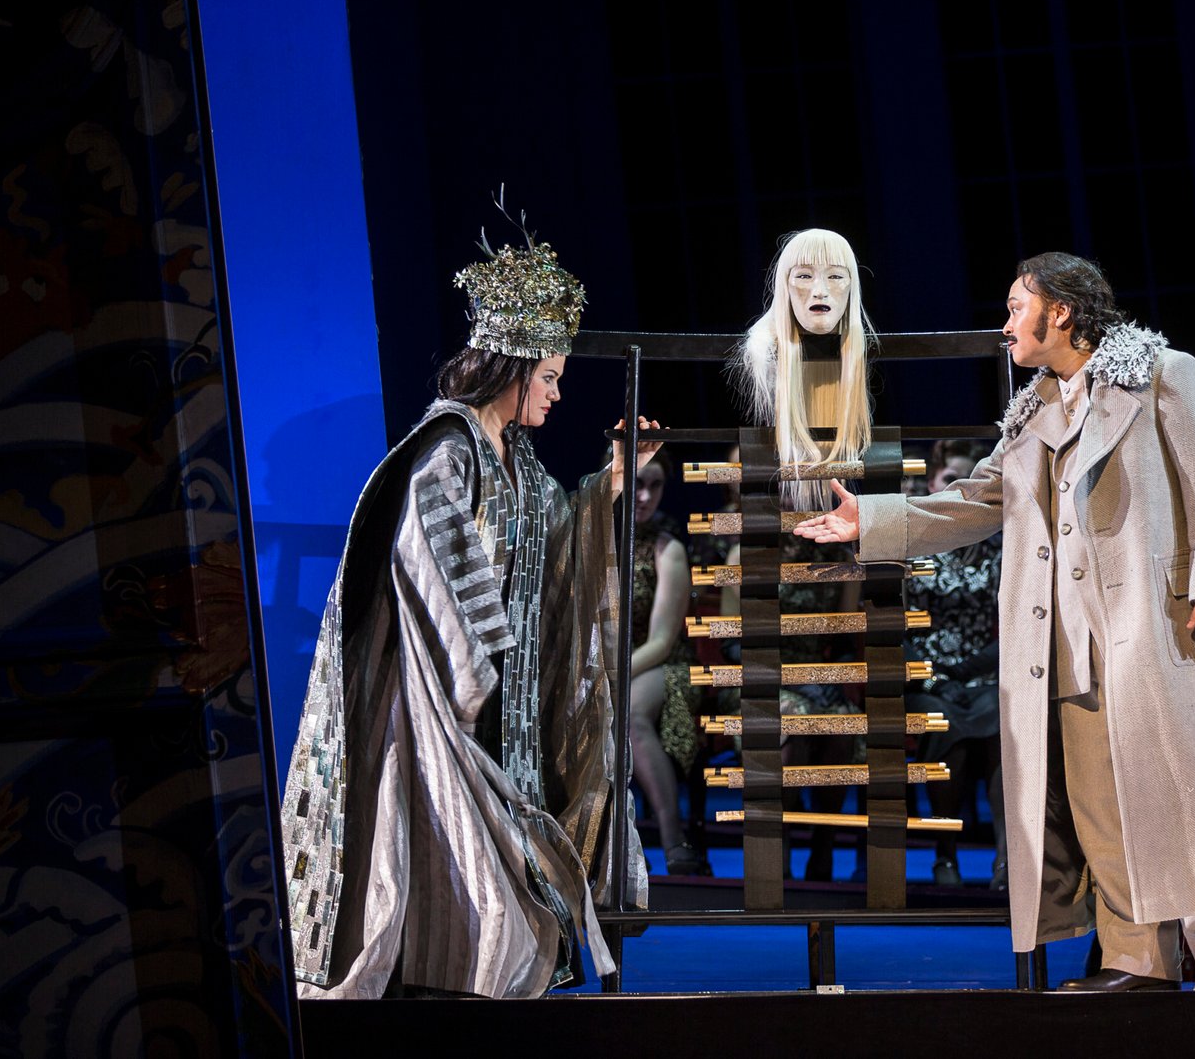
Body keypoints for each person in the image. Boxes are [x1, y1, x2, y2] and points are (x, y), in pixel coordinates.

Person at [797, 252, 1195, 991]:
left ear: (1061, 311)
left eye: (1015, 308)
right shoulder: (1033, 416)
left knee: (1194, 794)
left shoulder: (1162, 375)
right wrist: (874, 520)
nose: (1005, 325)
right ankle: (1139, 962)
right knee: (1104, 809)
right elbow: (972, 501)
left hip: (1156, 625)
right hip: (1068, 643)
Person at [279, 227, 658, 998]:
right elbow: (430, 548)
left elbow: (564, 545)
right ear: (512, 367)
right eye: (547, 376)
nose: (556, 393)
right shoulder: (447, 449)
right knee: (461, 874)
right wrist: (477, 655)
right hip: (450, 695)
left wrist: (613, 483)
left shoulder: (523, 466)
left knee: (501, 888)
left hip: (505, 706)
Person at [904, 439, 1006, 888]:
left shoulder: (1000, 549)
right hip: (925, 680)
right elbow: (893, 629)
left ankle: (1007, 858)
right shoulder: (912, 546)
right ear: (932, 484)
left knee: (1003, 723)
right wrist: (932, 677)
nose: (960, 488)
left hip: (983, 675)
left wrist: (967, 671)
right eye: (950, 480)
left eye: (969, 480)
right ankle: (945, 856)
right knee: (945, 725)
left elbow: (1018, 624)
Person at [729, 227, 876, 509]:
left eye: (835, 276)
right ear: (785, 284)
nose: (819, 291)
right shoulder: (755, 367)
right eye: (804, 276)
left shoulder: (872, 360)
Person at [623, 448, 708, 874]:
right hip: (603, 666)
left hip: (665, 665)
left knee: (629, 712)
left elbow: (660, 642)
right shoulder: (591, 535)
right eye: (637, 483)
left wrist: (608, 676)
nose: (645, 495)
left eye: (655, 486)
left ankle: (674, 840)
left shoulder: (667, 547)